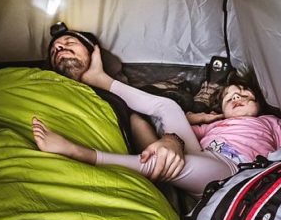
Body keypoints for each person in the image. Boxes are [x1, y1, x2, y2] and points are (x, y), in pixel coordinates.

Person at [35, 44, 281, 196]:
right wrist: (198, 118)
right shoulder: (214, 125)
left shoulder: (270, 122)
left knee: (171, 164)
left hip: (236, 172)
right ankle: (101, 80)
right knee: (168, 106)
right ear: (221, 108)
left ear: (260, 103)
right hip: (207, 154)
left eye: (245, 94)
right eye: (230, 96)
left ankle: (82, 154)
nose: (238, 97)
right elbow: (184, 130)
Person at [45, 22, 186, 182]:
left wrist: (173, 140)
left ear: (92, 51)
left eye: (70, 43)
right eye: (53, 51)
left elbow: (159, 162)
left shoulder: (122, 105)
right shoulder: (46, 89)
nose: (60, 49)